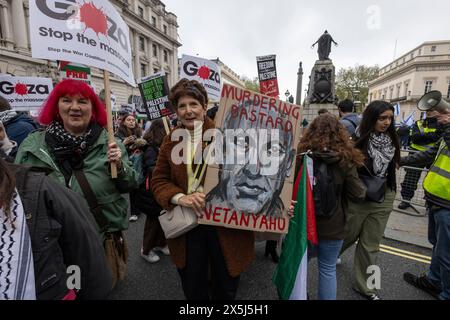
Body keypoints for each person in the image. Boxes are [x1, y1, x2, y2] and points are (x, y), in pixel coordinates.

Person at [14, 79, 137, 288]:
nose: (74, 107)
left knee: (97, 288)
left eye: (82, 101)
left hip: (99, 238)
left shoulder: (110, 143)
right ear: (56, 106)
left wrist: (120, 167)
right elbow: (18, 193)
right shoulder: (32, 145)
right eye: (66, 100)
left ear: (93, 108)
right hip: (51, 245)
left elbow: (131, 184)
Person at [151, 79, 254, 300]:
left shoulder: (229, 135)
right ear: (176, 111)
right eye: (182, 106)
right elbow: (158, 181)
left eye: (193, 104)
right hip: (189, 227)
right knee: (193, 288)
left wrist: (277, 205)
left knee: (225, 289)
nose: (188, 111)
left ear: (204, 106)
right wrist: (180, 198)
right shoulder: (170, 141)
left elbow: (252, 177)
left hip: (226, 227)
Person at [0, 151, 112, 299]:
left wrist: (119, 168)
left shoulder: (35, 186)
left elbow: (85, 256)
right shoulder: (32, 146)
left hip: (96, 220)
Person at [297, 114, 366, 300]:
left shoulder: (301, 156)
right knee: (327, 270)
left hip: (304, 223)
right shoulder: (345, 161)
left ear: (311, 132)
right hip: (334, 224)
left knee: (299, 267)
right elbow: (359, 193)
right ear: (340, 133)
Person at [340, 100, 401, 300]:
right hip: (360, 197)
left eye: (390, 118)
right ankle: (325, 257)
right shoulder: (357, 138)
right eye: (382, 118)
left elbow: (395, 164)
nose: (387, 122)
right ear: (371, 118)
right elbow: (345, 167)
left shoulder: (393, 139)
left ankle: (369, 288)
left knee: (371, 245)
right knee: (346, 236)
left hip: (385, 196)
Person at [401, 107, 450, 300]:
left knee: (446, 254)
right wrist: (401, 160)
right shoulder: (445, 136)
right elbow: (429, 154)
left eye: (444, 113)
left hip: (447, 203)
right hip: (437, 199)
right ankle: (433, 280)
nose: (439, 117)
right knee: (437, 245)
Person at [135, 119, 169, 263]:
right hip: (151, 192)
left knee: (162, 220)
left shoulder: (159, 146)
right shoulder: (151, 148)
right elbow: (152, 168)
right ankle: (146, 249)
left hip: (158, 190)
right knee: (153, 223)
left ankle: (160, 244)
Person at [398, 114, 441, 210]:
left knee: (433, 179)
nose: (430, 111)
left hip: (434, 156)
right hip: (416, 155)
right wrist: (432, 136)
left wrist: (424, 136)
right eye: (428, 110)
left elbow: (439, 137)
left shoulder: (442, 124)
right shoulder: (419, 123)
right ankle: (406, 200)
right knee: (410, 179)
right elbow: (415, 138)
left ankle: (430, 203)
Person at [115, 113, 145, 222]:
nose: (132, 122)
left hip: (140, 163)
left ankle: (141, 208)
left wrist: (142, 143)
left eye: (133, 120)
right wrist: (124, 143)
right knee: (133, 187)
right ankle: (134, 212)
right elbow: (116, 149)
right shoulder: (118, 134)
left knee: (141, 186)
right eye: (129, 120)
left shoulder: (139, 132)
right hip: (127, 164)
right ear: (124, 122)